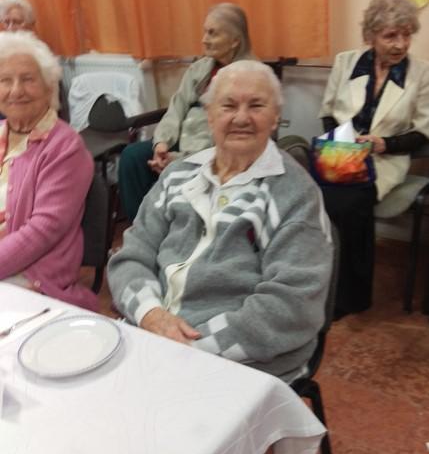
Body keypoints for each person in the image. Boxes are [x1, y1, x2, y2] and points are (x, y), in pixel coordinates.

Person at [108, 60, 333, 382]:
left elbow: (290, 308)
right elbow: (131, 255)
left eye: (256, 105)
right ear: (210, 115)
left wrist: (187, 347)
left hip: (240, 361)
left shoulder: (295, 194)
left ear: (275, 117)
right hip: (152, 336)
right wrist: (150, 315)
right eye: (228, 106)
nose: (241, 118)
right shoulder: (178, 175)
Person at [319, 0, 429, 318]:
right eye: (390, 36)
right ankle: (319, 284)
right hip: (339, 153)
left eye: (406, 35)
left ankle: (348, 297)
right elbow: (328, 113)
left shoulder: (421, 74)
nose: (400, 44)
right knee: (315, 200)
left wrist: (384, 144)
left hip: (384, 161)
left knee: (348, 204)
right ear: (371, 36)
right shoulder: (346, 63)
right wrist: (343, 142)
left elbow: (424, 132)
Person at [118, 2, 255, 221]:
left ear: (235, 41)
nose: (204, 39)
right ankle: (141, 227)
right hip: (181, 139)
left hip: (214, 150)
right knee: (131, 157)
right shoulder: (200, 68)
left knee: (181, 169)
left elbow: (234, 134)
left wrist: (180, 159)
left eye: (212, 33)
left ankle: (175, 229)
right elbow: (177, 107)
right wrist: (161, 144)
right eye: (205, 31)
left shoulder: (251, 76)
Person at [0, 30, 97, 311]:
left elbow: (42, 230)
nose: (15, 90)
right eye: (5, 80)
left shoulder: (65, 147)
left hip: (32, 278)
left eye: (27, 79)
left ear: (48, 87)